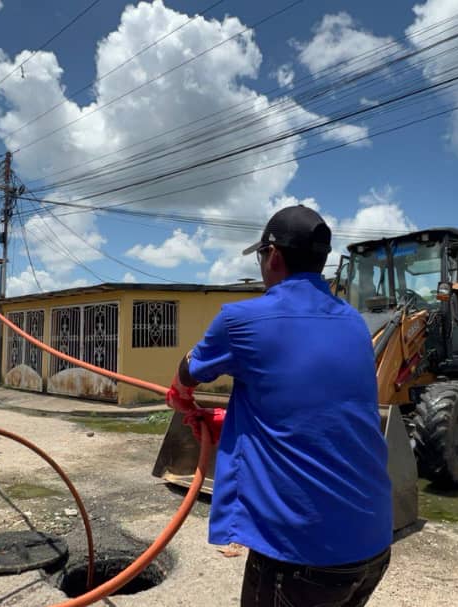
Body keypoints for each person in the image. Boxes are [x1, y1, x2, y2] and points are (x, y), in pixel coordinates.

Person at [166, 206, 393, 607]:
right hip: (372, 544)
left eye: (260, 258)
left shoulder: (241, 320)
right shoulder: (355, 324)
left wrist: (179, 395)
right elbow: (311, 407)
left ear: (273, 256)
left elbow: (189, 372)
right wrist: (232, 423)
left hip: (303, 557)